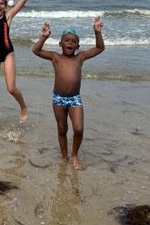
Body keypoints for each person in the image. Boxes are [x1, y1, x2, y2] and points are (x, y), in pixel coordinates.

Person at [32, 18, 105, 169]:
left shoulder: (80, 57)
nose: (70, 43)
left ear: (78, 46)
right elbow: (36, 50)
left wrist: (97, 32)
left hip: (74, 98)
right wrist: (44, 36)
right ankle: (64, 157)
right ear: (60, 44)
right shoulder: (55, 57)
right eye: (66, 40)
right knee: (62, 128)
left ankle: (74, 154)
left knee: (78, 128)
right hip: (58, 98)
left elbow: (99, 48)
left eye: (73, 41)